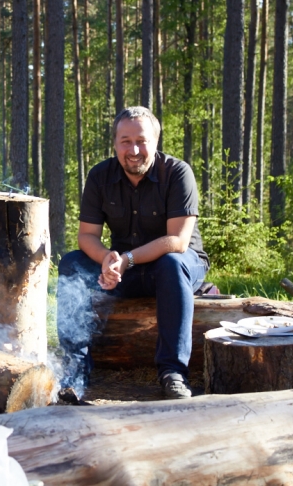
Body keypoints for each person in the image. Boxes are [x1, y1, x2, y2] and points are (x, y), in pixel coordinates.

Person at [57, 106, 209, 399]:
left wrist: (125, 259)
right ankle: (75, 369)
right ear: (115, 143)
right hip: (126, 268)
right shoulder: (100, 176)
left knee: (171, 264)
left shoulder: (178, 173)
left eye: (142, 140)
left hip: (178, 266)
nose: (134, 149)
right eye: (125, 141)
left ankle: (172, 372)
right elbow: (87, 236)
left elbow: (177, 241)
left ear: (155, 141)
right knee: (72, 263)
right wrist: (106, 261)